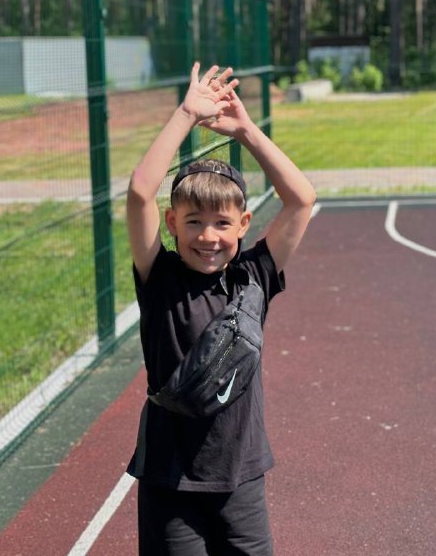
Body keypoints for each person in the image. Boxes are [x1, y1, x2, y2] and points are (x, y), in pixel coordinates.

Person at [125, 62, 316, 555]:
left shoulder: (253, 276)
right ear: (171, 223)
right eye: (193, 222)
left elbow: (301, 199)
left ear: (243, 224)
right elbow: (140, 191)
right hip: (169, 477)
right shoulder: (160, 277)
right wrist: (187, 114)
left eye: (221, 223)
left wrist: (247, 131)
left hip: (240, 476)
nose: (208, 236)